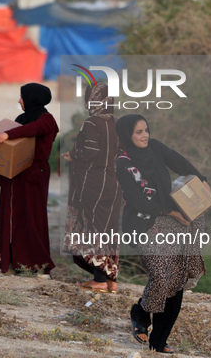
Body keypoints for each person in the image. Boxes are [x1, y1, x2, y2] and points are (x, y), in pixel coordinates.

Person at [115, 114, 211, 354]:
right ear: (128, 135)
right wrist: (169, 212)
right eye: (138, 132)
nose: (144, 135)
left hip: (173, 221)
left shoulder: (156, 148)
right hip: (144, 225)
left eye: (146, 130)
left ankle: (159, 340)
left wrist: (202, 179)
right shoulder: (123, 163)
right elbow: (137, 201)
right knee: (161, 276)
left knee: (176, 279)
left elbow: (180, 163)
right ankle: (140, 312)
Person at [0, 83, 58, 276]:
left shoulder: (46, 120)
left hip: (33, 176)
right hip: (13, 177)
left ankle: (41, 266)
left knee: (32, 218)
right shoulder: (20, 119)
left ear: (32, 98)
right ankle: (11, 262)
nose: (19, 100)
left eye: (22, 97)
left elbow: (32, 130)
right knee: (11, 218)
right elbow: (8, 149)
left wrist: (8, 134)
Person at [62, 83, 122, 293]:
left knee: (93, 229)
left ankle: (98, 280)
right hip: (114, 184)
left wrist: (73, 156)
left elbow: (91, 150)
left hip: (93, 184)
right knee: (108, 230)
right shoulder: (117, 123)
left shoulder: (91, 123)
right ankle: (111, 281)